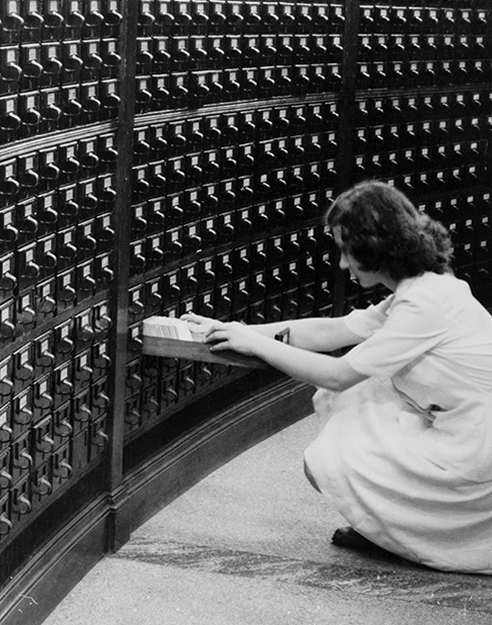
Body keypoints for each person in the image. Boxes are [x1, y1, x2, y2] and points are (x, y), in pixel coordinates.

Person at [182, 180, 492, 574]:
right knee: (362, 395)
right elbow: (333, 332)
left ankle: (401, 535)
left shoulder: (425, 303)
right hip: (462, 426)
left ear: (374, 248)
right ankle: (387, 527)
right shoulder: (421, 288)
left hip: (475, 452)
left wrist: (256, 344)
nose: (343, 264)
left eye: (347, 251)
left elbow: (338, 375)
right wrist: (232, 328)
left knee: (333, 443)